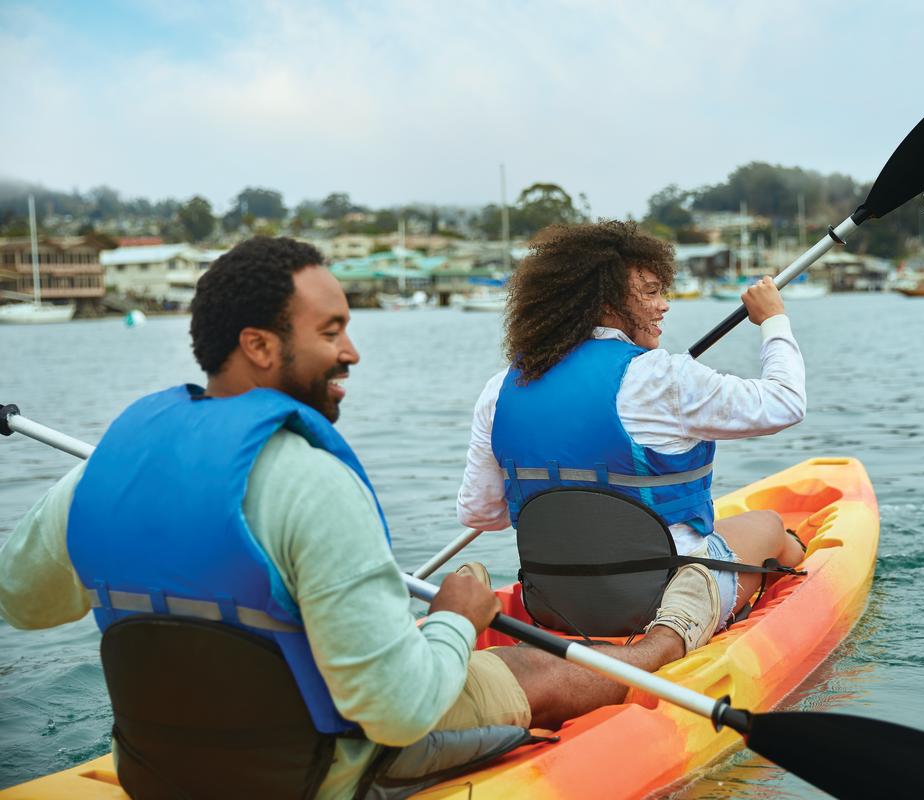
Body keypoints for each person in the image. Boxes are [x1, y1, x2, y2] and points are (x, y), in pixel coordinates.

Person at [0, 236, 706, 799]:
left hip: (162, 770)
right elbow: (398, 712)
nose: (351, 351)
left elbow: (24, 602)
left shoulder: (101, 471)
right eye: (331, 331)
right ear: (260, 346)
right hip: (319, 774)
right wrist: (459, 617)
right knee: (532, 665)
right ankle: (660, 653)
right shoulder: (311, 484)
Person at [458, 220, 809, 637]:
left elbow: (479, 514)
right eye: (650, 292)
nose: (664, 305)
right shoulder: (664, 377)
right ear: (603, 301)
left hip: (554, 605)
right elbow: (786, 402)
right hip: (664, 602)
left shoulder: (500, 390)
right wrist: (773, 319)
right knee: (770, 527)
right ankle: (795, 594)